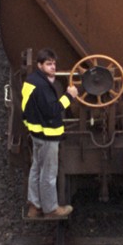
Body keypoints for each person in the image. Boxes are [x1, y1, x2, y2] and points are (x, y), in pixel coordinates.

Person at [21, 48, 78, 219]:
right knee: (49, 173)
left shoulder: (31, 80)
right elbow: (52, 110)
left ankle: (34, 205)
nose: (53, 67)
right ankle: (51, 209)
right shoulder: (43, 86)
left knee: (36, 169)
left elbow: (26, 108)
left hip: (36, 133)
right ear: (40, 65)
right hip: (48, 135)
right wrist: (70, 96)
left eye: (54, 63)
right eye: (48, 64)